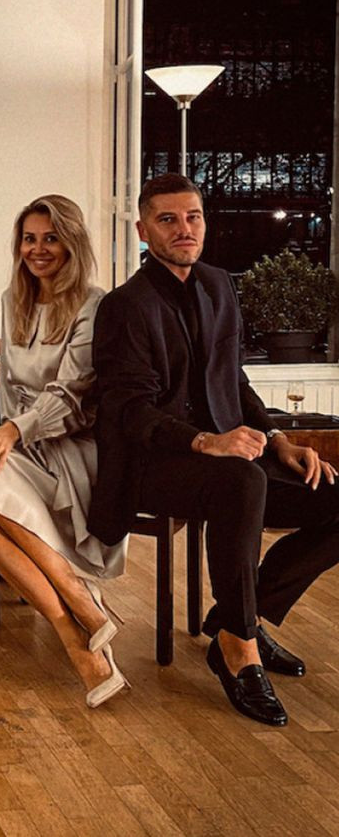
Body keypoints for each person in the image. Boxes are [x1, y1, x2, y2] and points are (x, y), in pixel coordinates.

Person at [92, 172, 339, 727]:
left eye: (193, 217)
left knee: (332, 493)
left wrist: (278, 440)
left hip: (232, 457)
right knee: (241, 480)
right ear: (142, 230)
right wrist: (206, 442)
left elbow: (235, 381)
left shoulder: (220, 284)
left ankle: (237, 620)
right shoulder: (123, 306)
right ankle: (240, 650)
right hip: (155, 464)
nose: (184, 229)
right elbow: (129, 411)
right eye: (168, 219)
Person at [0, 195, 127, 708]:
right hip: (23, 444)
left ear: (71, 243)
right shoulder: (12, 299)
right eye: (29, 239)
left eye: (51, 238)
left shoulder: (93, 304)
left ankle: (80, 609)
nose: (38, 249)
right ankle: (77, 626)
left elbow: (72, 396)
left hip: (72, 448)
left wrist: (12, 433)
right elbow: (11, 382)